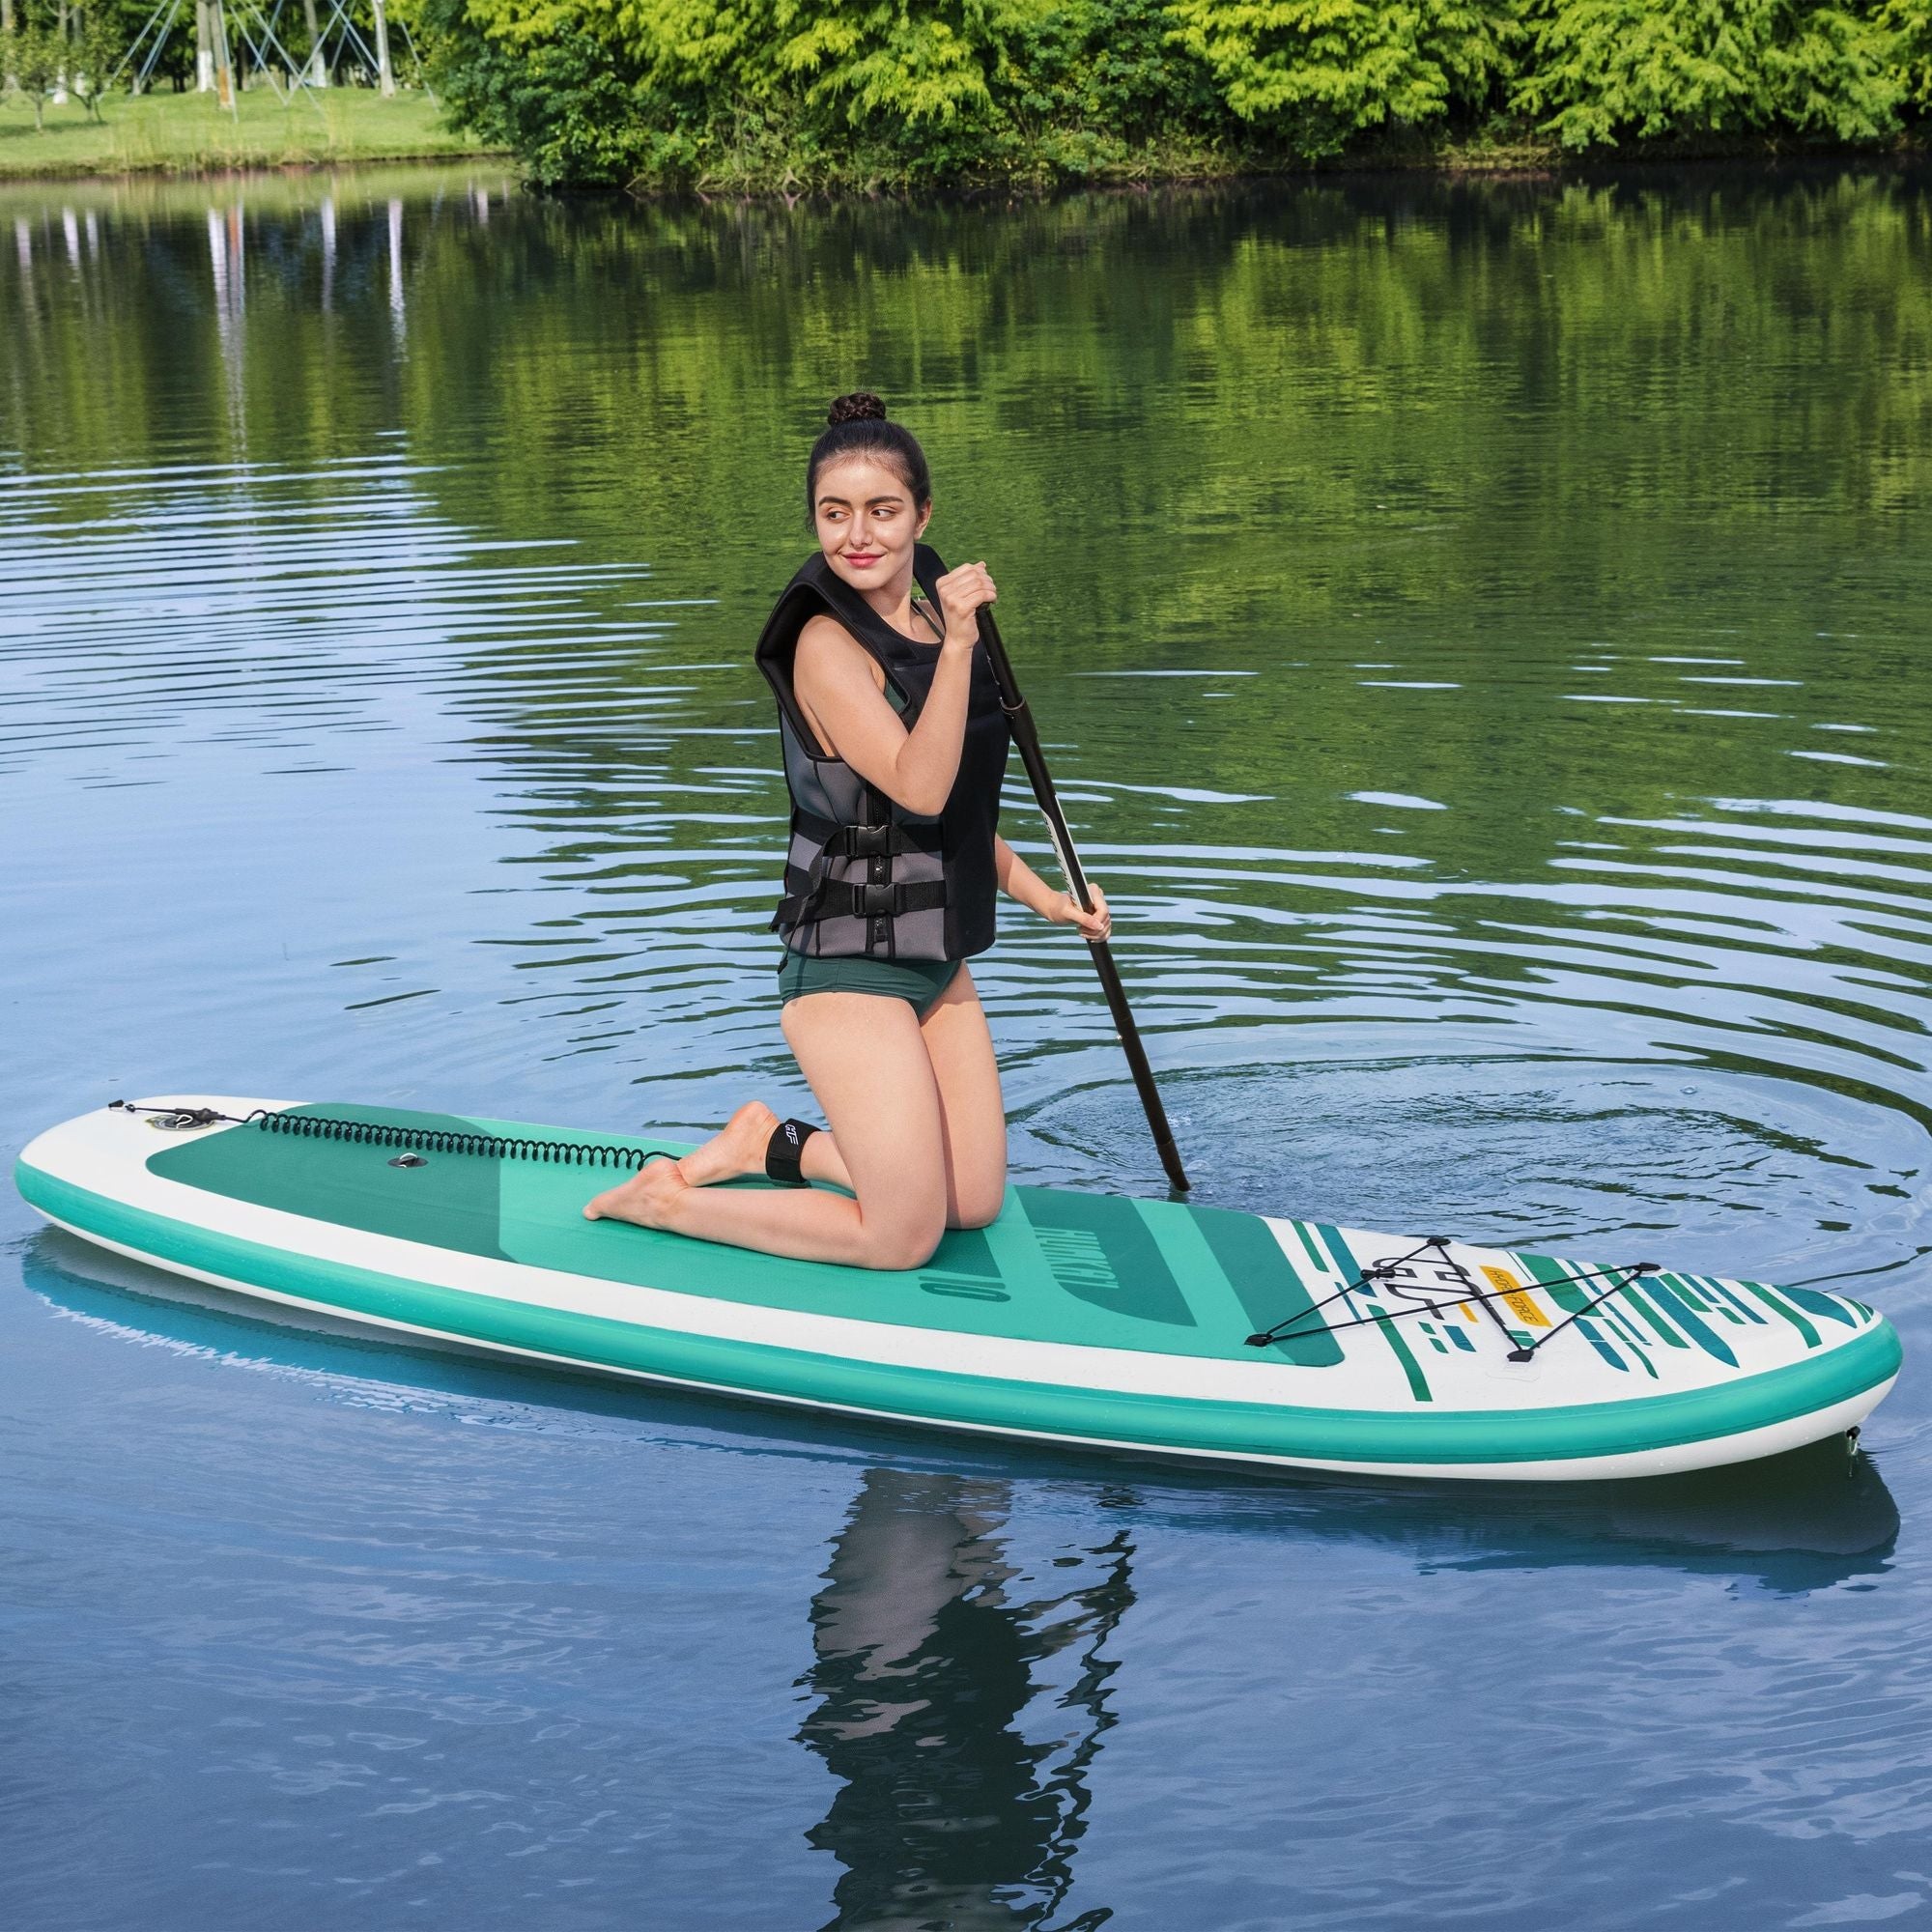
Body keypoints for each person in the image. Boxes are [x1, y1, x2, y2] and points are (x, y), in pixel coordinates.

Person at [586, 391, 1107, 1266]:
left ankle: (765, 1146)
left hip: (935, 955)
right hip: (845, 966)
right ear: (816, 522)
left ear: (922, 515)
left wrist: (1046, 899)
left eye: (882, 511)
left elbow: (961, 814)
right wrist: (957, 651)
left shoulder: (935, 612)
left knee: (971, 1204)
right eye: (836, 514)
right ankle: (667, 1201)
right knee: (903, 1237)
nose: (858, 535)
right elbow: (919, 785)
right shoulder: (825, 648)